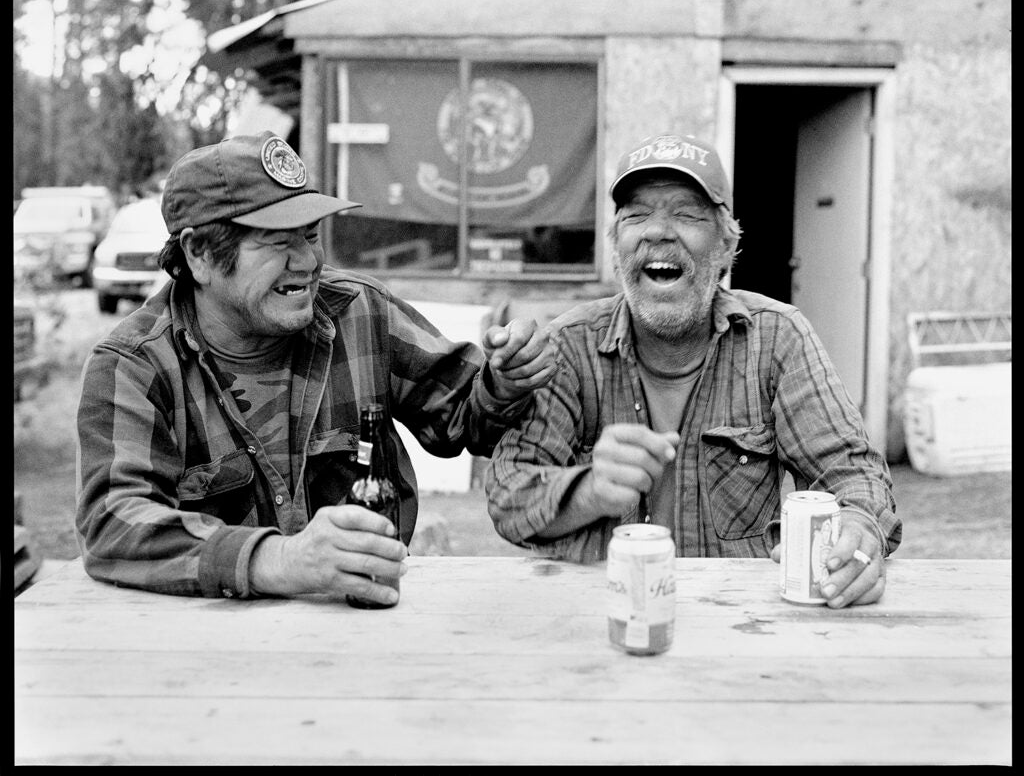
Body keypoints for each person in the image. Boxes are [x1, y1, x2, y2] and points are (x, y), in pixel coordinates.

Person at [75, 130, 555, 605]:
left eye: (310, 235)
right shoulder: (133, 365)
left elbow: (463, 416)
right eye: (278, 242)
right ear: (199, 253)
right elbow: (113, 519)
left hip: (362, 623)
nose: (308, 261)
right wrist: (281, 561)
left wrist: (505, 382)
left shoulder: (360, 312)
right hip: (209, 651)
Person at [486, 133, 902, 609]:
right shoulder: (569, 346)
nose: (658, 231)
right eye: (637, 215)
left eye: (685, 214)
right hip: (597, 617)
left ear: (726, 246)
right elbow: (507, 494)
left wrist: (860, 530)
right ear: (616, 245)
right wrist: (589, 491)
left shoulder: (777, 338)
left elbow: (852, 472)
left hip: (737, 623)